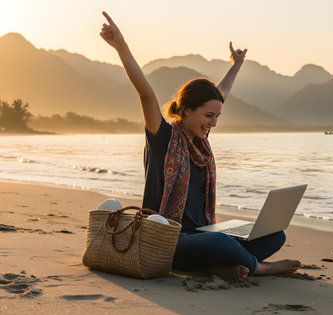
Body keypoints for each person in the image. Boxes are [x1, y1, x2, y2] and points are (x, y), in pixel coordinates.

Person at [100, 11, 301, 282]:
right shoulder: (163, 138)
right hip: (167, 239)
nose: (214, 123)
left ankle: (218, 266)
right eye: (209, 116)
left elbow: (221, 95)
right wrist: (121, 46)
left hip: (203, 234)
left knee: (275, 235)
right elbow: (145, 92)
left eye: (217, 117)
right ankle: (260, 268)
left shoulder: (201, 146)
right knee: (221, 243)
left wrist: (236, 65)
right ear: (186, 110)